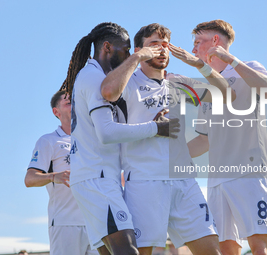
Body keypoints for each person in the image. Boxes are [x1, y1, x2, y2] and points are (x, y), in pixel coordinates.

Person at [101, 23, 234, 255]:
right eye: (154, 44)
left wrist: (198, 64)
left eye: (165, 45)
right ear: (139, 49)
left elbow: (226, 94)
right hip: (145, 182)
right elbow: (108, 91)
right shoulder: (128, 82)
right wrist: (136, 59)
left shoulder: (179, 82)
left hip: (184, 182)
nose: (161, 50)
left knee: (212, 250)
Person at [60, 22, 179, 255]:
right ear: (107, 47)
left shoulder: (92, 75)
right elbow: (107, 133)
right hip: (97, 178)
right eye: (125, 50)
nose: (128, 56)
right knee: (128, 251)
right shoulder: (93, 78)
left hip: (95, 177)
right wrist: (156, 128)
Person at [175, 20, 267, 255]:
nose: (193, 50)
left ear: (215, 42)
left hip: (249, 174)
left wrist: (232, 60)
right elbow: (204, 141)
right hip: (217, 180)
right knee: (225, 247)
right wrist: (169, 155)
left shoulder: (248, 67)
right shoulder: (209, 89)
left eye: (198, 43)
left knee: (260, 245)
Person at [25, 90, 98, 255]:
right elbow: (29, 179)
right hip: (65, 223)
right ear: (56, 112)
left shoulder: (94, 139)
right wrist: (53, 176)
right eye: (68, 102)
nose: (74, 104)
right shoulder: (48, 141)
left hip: (96, 223)